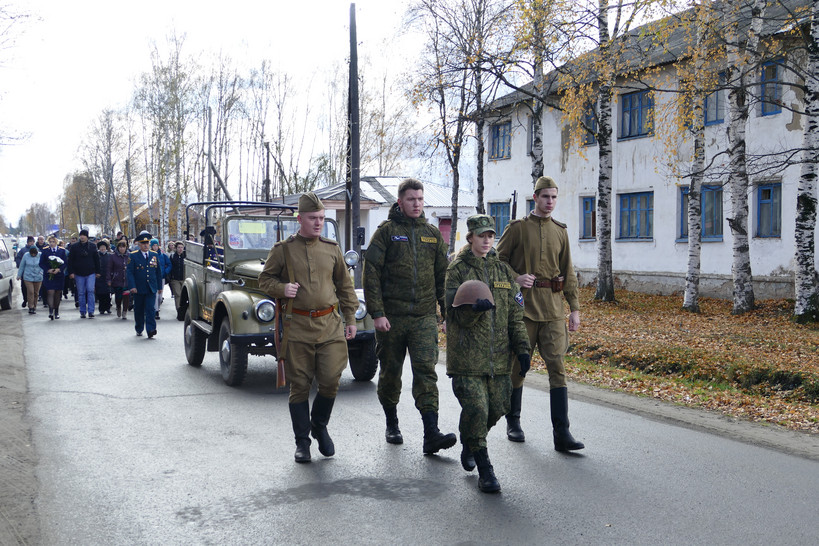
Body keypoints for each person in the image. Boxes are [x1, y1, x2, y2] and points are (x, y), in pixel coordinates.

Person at [259, 192, 359, 463]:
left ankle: (320, 425)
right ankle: (302, 443)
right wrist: (282, 288)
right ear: (300, 218)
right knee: (300, 386)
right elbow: (264, 280)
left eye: (322, 218)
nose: (318, 223)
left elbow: (345, 287)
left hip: (329, 324)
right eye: (313, 218)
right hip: (298, 326)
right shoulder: (283, 250)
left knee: (330, 380)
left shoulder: (331, 248)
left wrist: (351, 319)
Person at [363, 177, 456, 454]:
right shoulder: (386, 233)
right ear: (400, 201)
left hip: (424, 318)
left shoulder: (432, 234)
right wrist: (377, 313)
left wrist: (446, 312)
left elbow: (443, 276)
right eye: (411, 199)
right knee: (391, 373)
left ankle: (431, 433)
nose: (417, 204)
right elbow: (371, 275)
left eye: (420, 199)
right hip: (392, 318)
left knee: (426, 372)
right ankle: (392, 422)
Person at [496, 175, 584, 452]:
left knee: (558, 368)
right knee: (519, 367)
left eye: (554, 197)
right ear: (535, 198)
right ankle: (514, 422)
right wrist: (516, 277)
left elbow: (568, 271)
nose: (550, 202)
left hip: (554, 309)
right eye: (545, 196)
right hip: (524, 309)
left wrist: (575, 310)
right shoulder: (518, 228)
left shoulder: (561, 231)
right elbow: (497, 260)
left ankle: (562, 433)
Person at [445, 215, 530, 493]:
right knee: (478, 409)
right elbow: (453, 316)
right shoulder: (457, 270)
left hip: (499, 360)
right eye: (481, 235)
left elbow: (516, 316)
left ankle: (470, 438)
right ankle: (485, 469)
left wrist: (523, 348)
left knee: (497, 408)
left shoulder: (504, 272)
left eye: (490, 235)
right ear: (470, 237)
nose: (486, 240)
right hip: (468, 360)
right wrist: (472, 312)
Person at [126, 231, 163, 338]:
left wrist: (160, 287)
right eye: (143, 243)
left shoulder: (154, 255)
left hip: (151, 287)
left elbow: (158, 272)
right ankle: (139, 327)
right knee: (139, 309)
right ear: (139, 244)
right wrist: (132, 286)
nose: (146, 245)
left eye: (147, 243)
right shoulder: (133, 256)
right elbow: (130, 272)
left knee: (151, 309)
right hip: (138, 288)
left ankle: (151, 329)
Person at [67, 229, 101, 318]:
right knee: (81, 292)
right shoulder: (74, 247)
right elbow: (70, 260)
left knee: (90, 290)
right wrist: (71, 272)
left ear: (87, 236)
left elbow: (97, 259)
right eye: (81, 235)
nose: (82, 237)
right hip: (78, 273)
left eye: (84, 235)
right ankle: (82, 311)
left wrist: (98, 271)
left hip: (91, 272)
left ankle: (91, 311)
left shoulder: (93, 246)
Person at [39, 235, 67, 319]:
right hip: (48, 275)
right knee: (50, 292)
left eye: (53, 242)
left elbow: (65, 262)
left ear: (56, 242)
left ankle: (57, 311)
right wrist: (48, 270)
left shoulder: (61, 251)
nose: (51, 243)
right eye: (50, 242)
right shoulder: (45, 251)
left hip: (59, 275)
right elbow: (41, 263)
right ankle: (51, 310)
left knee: (57, 293)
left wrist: (59, 269)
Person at [16, 245, 43, 314]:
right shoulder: (26, 255)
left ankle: (34, 307)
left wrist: (43, 273)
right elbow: (22, 265)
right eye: (32, 254)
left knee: (36, 293)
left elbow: (44, 265)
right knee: (30, 291)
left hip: (38, 276)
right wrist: (19, 275)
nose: (33, 255)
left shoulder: (40, 255)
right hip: (28, 277)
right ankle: (30, 307)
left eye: (35, 254)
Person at [109, 239, 131, 320]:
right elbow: (110, 268)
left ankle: (124, 311)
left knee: (126, 296)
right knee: (118, 297)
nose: (122, 249)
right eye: (120, 247)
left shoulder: (129, 255)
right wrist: (109, 279)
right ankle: (118, 307)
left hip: (127, 280)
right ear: (118, 248)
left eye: (123, 247)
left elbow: (132, 267)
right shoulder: (113, 256)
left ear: (126, 248)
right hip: (117, 279)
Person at [150, 238, 171, 319]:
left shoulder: (162, 255)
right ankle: (156, 310)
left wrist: (165, 271)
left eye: (156, 245)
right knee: (154, 294)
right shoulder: (150, 255)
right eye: (153, 246)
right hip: (153, 278)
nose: (155, 247)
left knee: (159, 295)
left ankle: (157, 306)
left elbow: (169, 264)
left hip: (161, 277)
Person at [15, 236, 35, 308]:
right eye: (30, 242)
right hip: (25, 272)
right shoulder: (23, 250)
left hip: (35, 273)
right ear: (27, 242)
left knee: (33, 289)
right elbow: (18, 259)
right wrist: (21, 265)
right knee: (24, 287)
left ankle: (32, 303)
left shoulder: (37, 250)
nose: (31, 243)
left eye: (33, 242)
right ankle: (25, 299)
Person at [168, 241, 186, 315]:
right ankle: (179, 311)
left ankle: (184, 310)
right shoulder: (172, 257)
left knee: (184, 296)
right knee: (178, 294)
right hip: (175, 279)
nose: (180, 249)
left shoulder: (185, 257)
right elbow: (170, 266)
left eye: (182, 247)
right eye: (179, 247)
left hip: (184, 278)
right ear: (176, 248)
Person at [96, 240, 113, 315]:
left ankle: (108, 307)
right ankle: (101, 308)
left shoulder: (110, 256)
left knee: (108, 293)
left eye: (104, 247)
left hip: (108, 276)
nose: (102, 249)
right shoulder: (96, 256)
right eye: (101, 247)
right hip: (99, 277)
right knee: (100, 294)